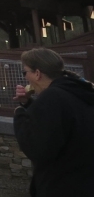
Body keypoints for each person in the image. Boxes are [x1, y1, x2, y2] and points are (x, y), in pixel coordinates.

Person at [12, 47, 94, 196]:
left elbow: (36, 148)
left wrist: (19, 115)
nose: (25, 78)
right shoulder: (78, 91)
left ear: (37, 74)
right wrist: (28, 103)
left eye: (25, 72)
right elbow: (57, 124)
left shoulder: (52, 97)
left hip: (63, 186)